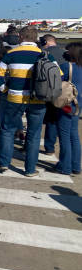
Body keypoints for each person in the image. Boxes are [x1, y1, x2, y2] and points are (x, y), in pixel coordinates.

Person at [0, 26, 58, 176]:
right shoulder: (45, 54)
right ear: (35, 38)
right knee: (34, 134)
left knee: (8, 130)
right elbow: (58, 76)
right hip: (38, 99)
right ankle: (30, 169)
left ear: (20, 38)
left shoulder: (11, 54)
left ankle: (4, 163)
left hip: (15, 98)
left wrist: (5, 90)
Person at [51, 42, 81, 175]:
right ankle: (76, 165)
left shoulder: (65, 66)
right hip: (78, 104)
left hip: (66, 103)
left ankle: (65, 166)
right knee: (74, 135)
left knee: (64, 135)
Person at [40, 34, 67, 155]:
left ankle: (31, 145)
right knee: (54, 121)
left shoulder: (43, 52)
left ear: (45, 41)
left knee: (37, 118)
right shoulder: (64, 53)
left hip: (44, 89)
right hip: (62, 90)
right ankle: (50, 147)